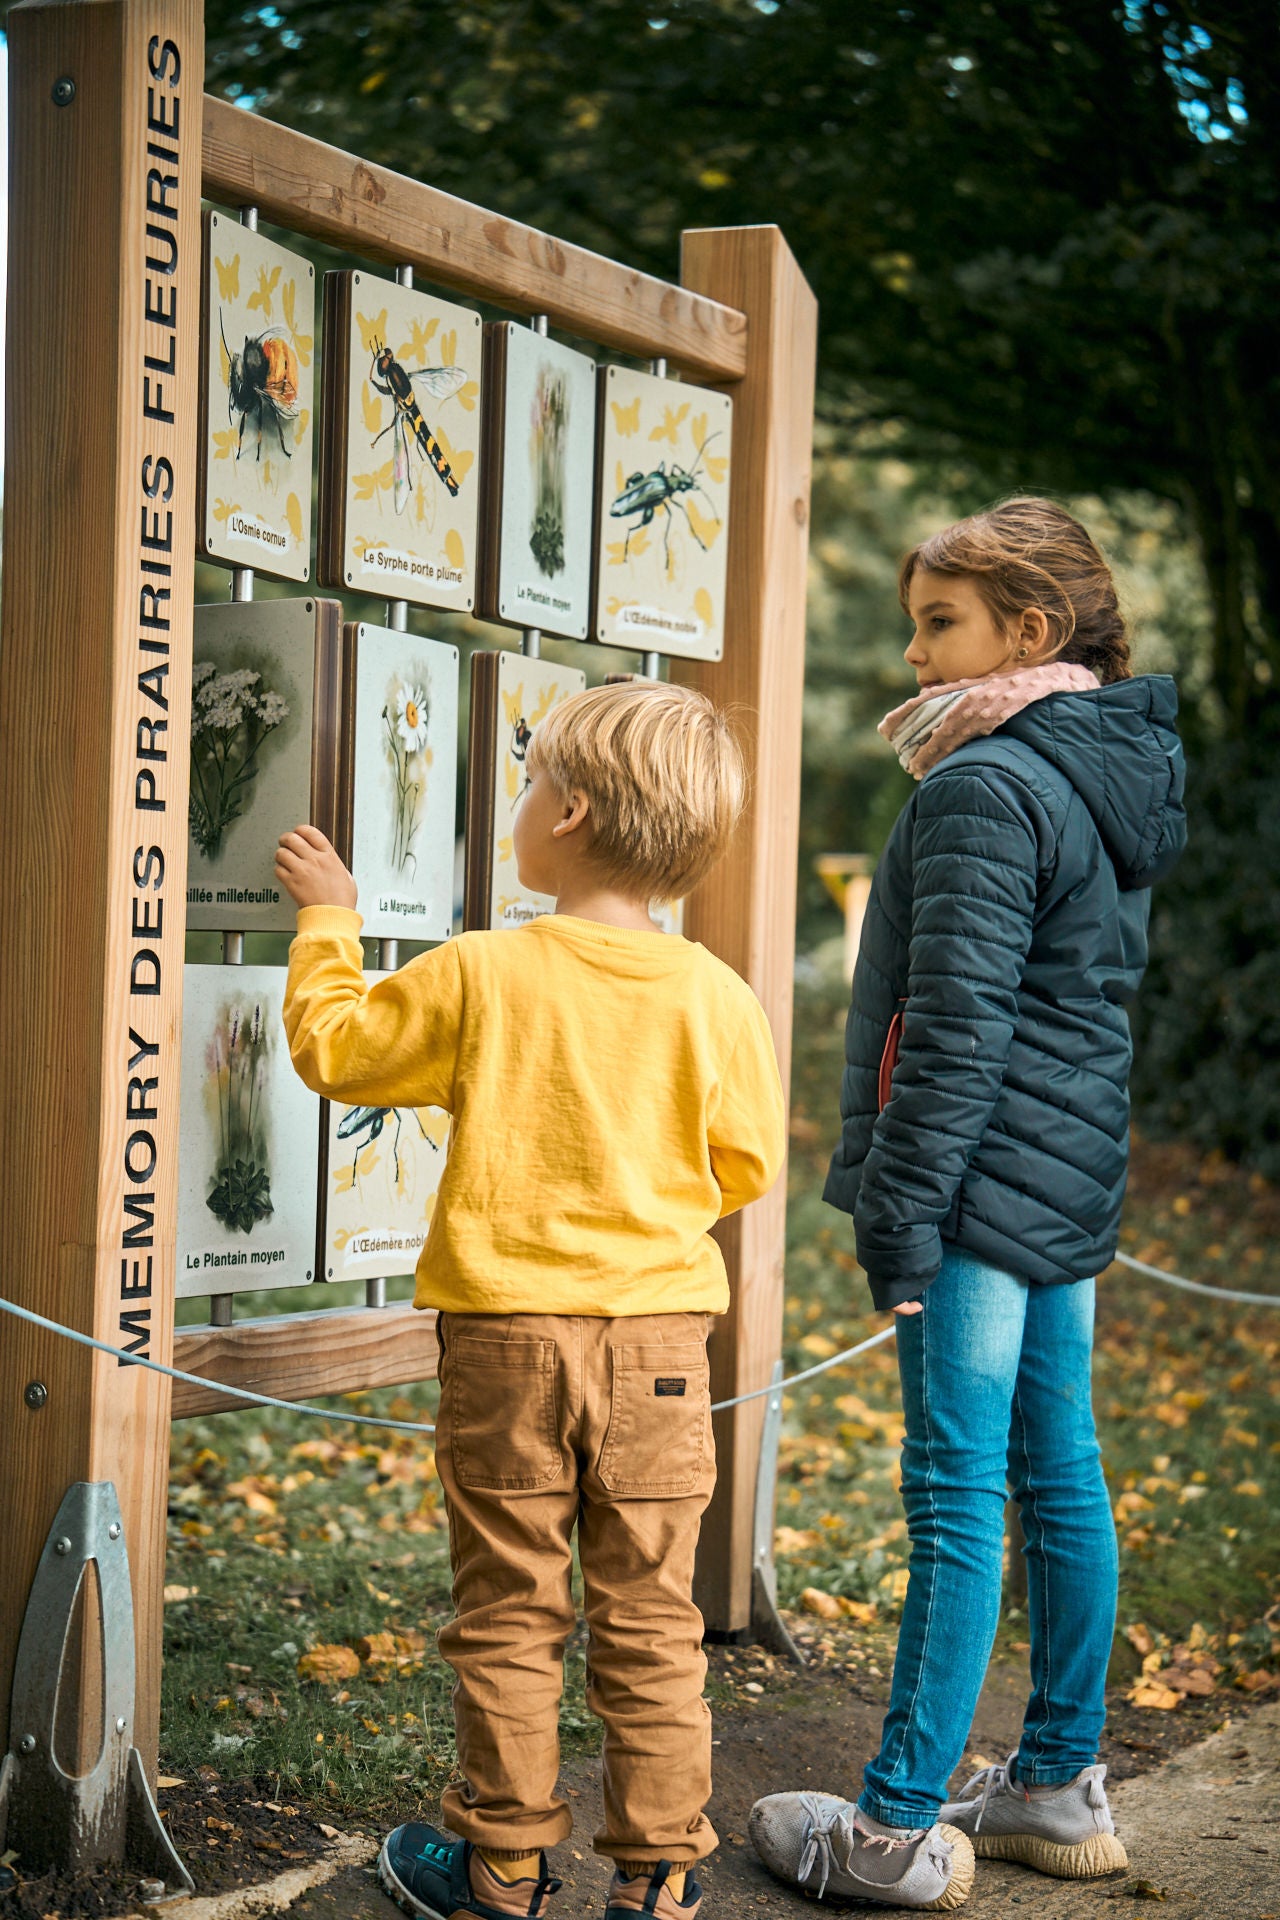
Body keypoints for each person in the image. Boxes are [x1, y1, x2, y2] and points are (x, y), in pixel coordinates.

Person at [276, 681, 786, 1920]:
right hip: (662, 1347)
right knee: (651, 1615)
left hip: (506, 1341)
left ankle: (502, 1867)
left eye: (526, 786)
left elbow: (335, 1051)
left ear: (564, 811)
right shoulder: (715, 996)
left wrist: (329, 922)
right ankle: (658, 1876)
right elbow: (746, 1162)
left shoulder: (480, 974)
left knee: (509, 1609)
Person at [751, 498, 1186, 1911]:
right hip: (1062, 1185)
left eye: (940, 620)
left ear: (1032, 629)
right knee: (1059, 1471)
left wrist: (896, 1214)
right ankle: (1057, 1786)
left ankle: (886, 1830)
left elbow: (953, 1030)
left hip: (977, 1192)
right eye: (915, 619)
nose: (913, 650)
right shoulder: (1100, 770)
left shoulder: (983, 787)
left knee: (955, 1496)